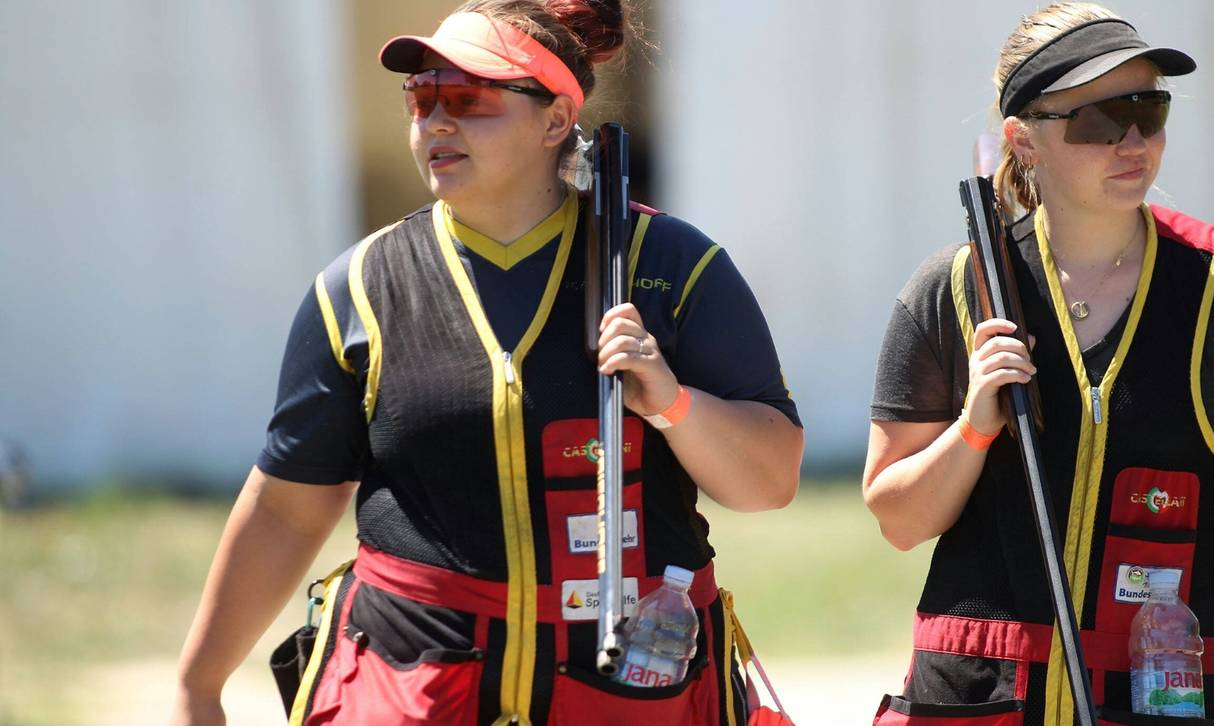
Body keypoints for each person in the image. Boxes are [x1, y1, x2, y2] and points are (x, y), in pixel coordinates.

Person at [171, 1, 803, 724]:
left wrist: (669, 403)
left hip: (627, 690)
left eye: (467, 99)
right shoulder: (358, 287)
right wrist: (199, 685)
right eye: (422, 98)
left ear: (556, 121)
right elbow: (287, 508)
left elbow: (770, 481)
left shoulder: (671, 265)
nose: (436, 122)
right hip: (415, 686)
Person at [862, 3, 1214, 724]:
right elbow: (899, 520)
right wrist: (973, 428)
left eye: (1149, 111)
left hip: (1169, 701)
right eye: (1098, 120)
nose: (1133, 141)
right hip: (980, 702)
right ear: (1022, 141)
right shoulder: (955, 289)